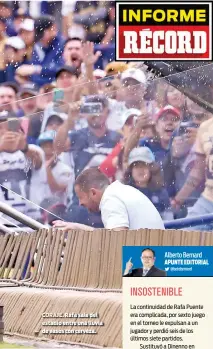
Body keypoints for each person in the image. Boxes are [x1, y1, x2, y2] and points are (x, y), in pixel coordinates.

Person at [53, 167, 165, 231]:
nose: (80, 203)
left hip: (151, 263)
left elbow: (115, 241)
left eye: (81, 197)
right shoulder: (119, 191)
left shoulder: (110, 198)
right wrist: (77, 227)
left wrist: (79, 228)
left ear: (93, 192)